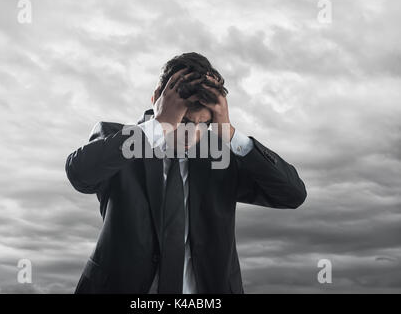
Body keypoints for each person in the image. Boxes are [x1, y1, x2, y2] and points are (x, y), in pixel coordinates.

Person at [65, 52, 307, 294]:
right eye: (184, 122)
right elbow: (80, 175)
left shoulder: (219, 156)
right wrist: (159, 125)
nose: (192, 134)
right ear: (157, 100)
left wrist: (230, 133)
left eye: (204, 124)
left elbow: (292, 195)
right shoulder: (120, 141)